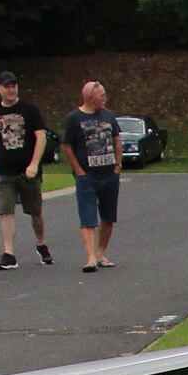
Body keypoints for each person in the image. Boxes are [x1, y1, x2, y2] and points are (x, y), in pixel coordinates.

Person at [0, 72, 51, 269]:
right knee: (6, 212)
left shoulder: (29, 110)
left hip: (27, 171)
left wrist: (34, 164)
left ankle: (41, 243)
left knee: (35, 211)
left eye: (14, 86)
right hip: (4, 172)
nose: (11, 90)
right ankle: (9, 253)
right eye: (7, 86)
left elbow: (41, 137)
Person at [59, 80, 123, 272]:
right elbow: (67, 146)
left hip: (109, 174)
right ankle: (90, 258)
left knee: (108, 217)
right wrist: (78, 170)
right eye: (101, 96)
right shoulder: (74, 118)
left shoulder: (108, 115)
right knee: (87, 218)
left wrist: (117, 166)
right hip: (87, 177)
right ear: (90, 97)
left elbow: (117, 141)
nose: (105, 99)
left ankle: (101, 253)